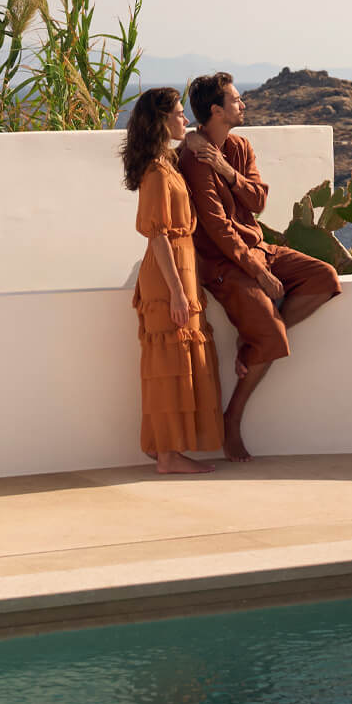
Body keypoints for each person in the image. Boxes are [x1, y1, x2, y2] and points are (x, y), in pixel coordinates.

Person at [179, 71, 342, 461]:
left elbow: (258, 201)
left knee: (325, 278)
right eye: (236, 100)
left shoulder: (238, 147)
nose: (243, 104)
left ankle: (254, 337)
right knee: (271, 337)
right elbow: (217, 228)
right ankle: (232, 419)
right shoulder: (193, 157)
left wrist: (227, 170)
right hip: (225, 263)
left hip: (260, 247)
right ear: (216, 110)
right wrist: (258, 272)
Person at [122, 87, 223, 474]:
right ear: (163, 121)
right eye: (180, 114)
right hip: (168, 276)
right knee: (169, 363)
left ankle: (167, 449)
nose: (186, 119)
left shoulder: (167, 162)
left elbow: (193, 139)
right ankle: (167, 454)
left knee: (181, 361)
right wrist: (179, 293)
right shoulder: (155, 172)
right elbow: (158, 235)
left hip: (181, 269)